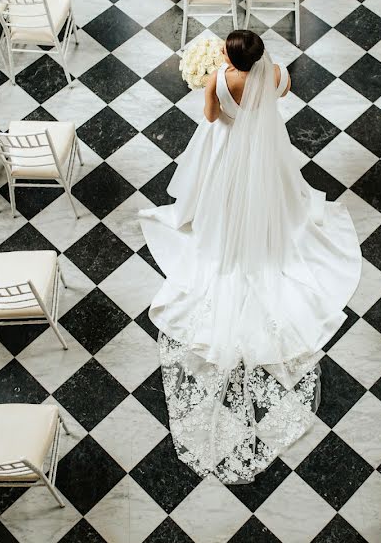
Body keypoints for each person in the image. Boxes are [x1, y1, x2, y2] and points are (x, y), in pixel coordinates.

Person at [138, 30, 362, 483]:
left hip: (226, 149)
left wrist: (218, 86)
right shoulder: (276, 73)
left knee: (217, 202)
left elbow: (210, 116)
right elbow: (282, 92)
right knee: (275, 201)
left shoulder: (220, 79)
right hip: (265, 155)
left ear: (228, 55)